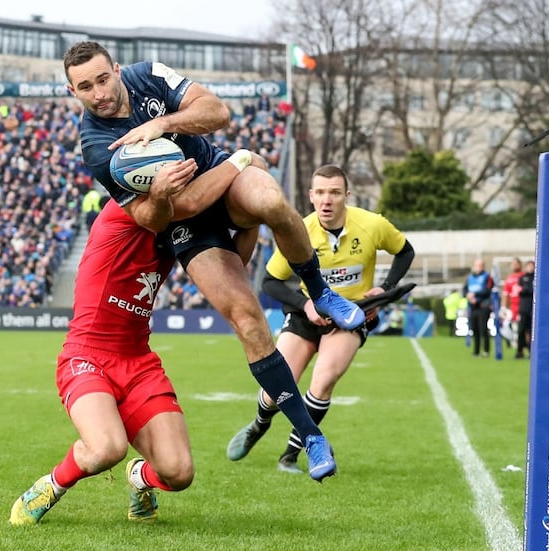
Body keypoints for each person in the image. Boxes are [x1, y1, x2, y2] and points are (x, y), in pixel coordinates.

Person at [64, 41, 363, 481]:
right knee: (248, 320)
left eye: (103, 79)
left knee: (271, 199)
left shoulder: (148, 75)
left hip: (218, 178)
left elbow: (218, 113)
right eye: (85, 87)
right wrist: (166, 192)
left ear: (118, 70)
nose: (99, 93)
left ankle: (320, 291)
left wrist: (163, 123)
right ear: (74, 92)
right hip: (184, 220)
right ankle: (311, 436)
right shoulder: (97, 145)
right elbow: (156, 216)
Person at [10, 186, 251, 525]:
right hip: (87, 356)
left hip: (139, 363)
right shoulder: (122, 210)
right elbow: (170, 200)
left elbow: (231, 267)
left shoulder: (175, 230)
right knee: (106, 449)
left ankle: (140, 479)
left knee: (179, 473)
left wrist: (251, 222)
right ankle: (51, 485)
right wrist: (240, 163)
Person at [225, 164, 414, 474]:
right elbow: (269, 282)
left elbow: (405, 251)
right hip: (306, 314)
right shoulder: (298, 230)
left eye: (335, 193)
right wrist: (306, 303)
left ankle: (290, 455)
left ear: (346, 196)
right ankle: (259, 425)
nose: (328, 200)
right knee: (275, 388)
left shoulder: (372, 224)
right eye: (321, 193)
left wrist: (386, 288)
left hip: (351, 314)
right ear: (311, 196)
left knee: (323, 380)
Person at [465, 258, 494, 357]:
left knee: (483, 329)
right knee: (475, 329)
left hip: (483, 305)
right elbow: (465, 289)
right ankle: (476, 351)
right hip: (473, 306)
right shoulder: (470, 277)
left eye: (481, 265)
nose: (479, 267)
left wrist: (475, 295)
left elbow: (488, 290)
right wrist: (468, 296)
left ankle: (486, 350)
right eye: (477, 265)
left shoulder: (487, 276)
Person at [515, 260, 535, 359]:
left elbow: (531, 290)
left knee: (532, 331)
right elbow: (517, 290)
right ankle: (519, 351)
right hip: (523, 308)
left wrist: (524, 290)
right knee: (521, 330)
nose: (530, 268)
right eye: (529, 266)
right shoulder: (522, 278)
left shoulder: (536, 278)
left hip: (533, 308)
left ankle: (531, 351)